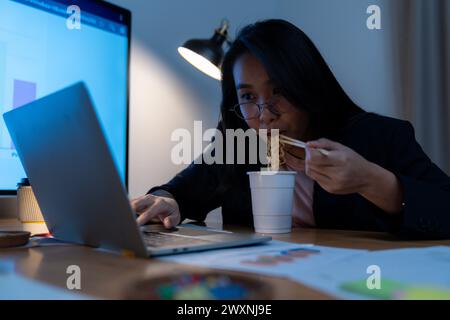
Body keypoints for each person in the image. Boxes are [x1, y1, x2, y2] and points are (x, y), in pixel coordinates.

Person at [131, 19, 450, 239]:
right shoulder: (240, 142)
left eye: (279, 91)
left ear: (306, 84)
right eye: (247, 97)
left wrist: (370, 179)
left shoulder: (380, 137)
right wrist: (166, 200)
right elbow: (180, 192)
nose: (264, 115)